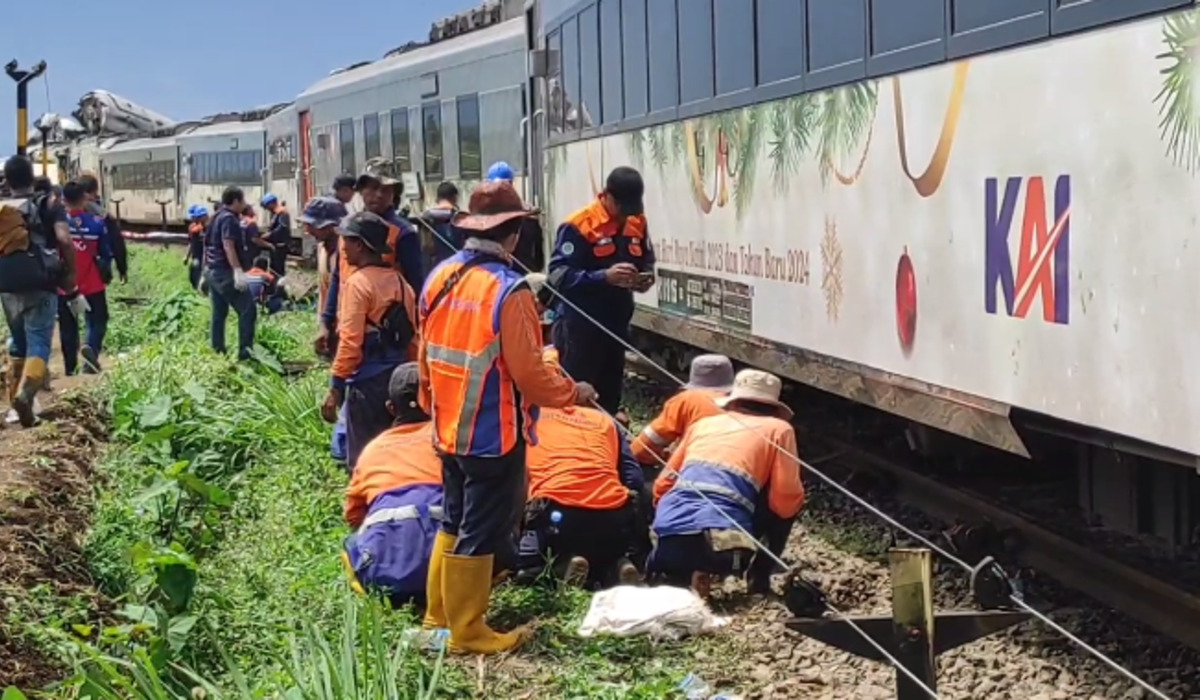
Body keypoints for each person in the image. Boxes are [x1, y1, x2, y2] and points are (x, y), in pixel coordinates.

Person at [418, 180, 595, 655]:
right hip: (493, 432)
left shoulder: (439, 277)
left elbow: (425, 353)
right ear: (514, 233)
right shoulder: (508, 290)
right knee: (480, 528)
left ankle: (438, 617)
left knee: (453, 520)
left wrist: (431, 405)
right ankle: (468, 631)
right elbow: (531, 375)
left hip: (447, 425)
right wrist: (573, 393)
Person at [646, 370, 804, 598]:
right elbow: (785, 499)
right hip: (726, 555)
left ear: (734, 400)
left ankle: (680, 572)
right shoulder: (779, 429)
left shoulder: (703, 424)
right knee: (788, 501)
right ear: (774, 407)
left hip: (667, 545)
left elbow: (663, 484)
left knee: (684, 532)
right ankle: (757, 580)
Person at [517, 348, 644, 588]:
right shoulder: (604, 420)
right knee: (605, 540)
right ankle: (617, 565)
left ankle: (561, 566)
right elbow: (634, 478)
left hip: (557, 513)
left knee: (526, 569)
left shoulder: (529, 418)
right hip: (613, 516)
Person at [548, 166, 655, 414]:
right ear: (608, 196)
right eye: (622, 209)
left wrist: (643, 278)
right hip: (581, 330)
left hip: (616, 327)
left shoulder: (636, 221)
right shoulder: (579, 225)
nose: (625, 217)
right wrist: (604, 277)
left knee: (609, 401)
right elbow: (557, 276)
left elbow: (646, 259)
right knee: (577, 403)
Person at [341, 362, 444, 609]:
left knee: (350, 544)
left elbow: (353, 515)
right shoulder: (447, 442)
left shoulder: (372, 450)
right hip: (447, 575)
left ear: (390, 408)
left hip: (384, 581)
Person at [321, 211, 418, 472]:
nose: (343, 247)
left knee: (364, 460)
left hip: (367, 384)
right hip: (398, 382)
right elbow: (413, 339)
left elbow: (350, 343)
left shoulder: (358, 284)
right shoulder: (401, 283)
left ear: (360, 245)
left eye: (347, 240)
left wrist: (335, 387)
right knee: (393, 458)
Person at [0, 156, 80, 426]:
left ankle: (15, 405)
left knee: (18, 343)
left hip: (6, 285)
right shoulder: (48, 204)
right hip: (41, 282)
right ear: (32, 178)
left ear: (8, 180)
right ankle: (26, 395)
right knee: (39, 343)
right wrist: (70, 275)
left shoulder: (3, 206)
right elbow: (64, 240)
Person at [298, 196, 350, 464]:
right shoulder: (323, 249)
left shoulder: (346, 252)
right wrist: (322, 325)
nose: (308, 230)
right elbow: (325, 293)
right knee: (337, 381)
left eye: (314, 225)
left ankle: (343, 445)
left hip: (346, 329)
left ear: (331, 226)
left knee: (345, 384)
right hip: (331, 328)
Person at [635, 354, 735, 494]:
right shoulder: (744, 403)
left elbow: (647, 443)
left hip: (693, 473)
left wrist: (637, 457)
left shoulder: (686, 399)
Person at [56, 181, 113, 376]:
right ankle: (91, 348)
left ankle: (70, 369)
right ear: (84, 198)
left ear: (63, 200)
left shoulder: (58, 224)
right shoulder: (97, 223)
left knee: (68, 326)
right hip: (92, 283)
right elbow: (106, 254)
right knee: (97, 319)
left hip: (66, 285)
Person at [204, 186, 256, 360]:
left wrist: (205, 271)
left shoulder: (215, 217)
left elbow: (207, 245)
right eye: (242, 200)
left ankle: (217, 350)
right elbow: (228, 245)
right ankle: (245, 354)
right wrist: (237, 271)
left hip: (213, 272)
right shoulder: (229, 219)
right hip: (225, 272)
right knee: (248, 310)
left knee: (219, 312)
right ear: (235, 201)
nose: (244, 204)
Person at [484, 161, 544, 273]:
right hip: (522, 274)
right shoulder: (529, 215)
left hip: (495, 274)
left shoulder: (484, 219)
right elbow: (538, 257)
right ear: (511, 184)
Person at [78, 172, 128, 284]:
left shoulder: (66, 214)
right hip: (97, 273)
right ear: (95, 191)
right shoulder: (104, 216)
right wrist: (122, 269)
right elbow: (117, 243)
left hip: (72, 277)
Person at [419, 181, 460, 269]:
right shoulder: (460, 218)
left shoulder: (425, 218)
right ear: (455, 198)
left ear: (437, 199)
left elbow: (424, 246)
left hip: (433, 270)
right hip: (456, 268)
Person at [260, 194, 291, 276]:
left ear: (272, 203)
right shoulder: (275, 213)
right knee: (273, 268)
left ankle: (278, 282)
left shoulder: (282, 213)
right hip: (275, 244)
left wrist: (269, 234)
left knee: (278, 268)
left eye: (267, 206)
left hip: (280, 244)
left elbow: (282, 228)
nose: (267, 209)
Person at [184, 205, 209, 290]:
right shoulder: (194, 228)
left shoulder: (210, 227)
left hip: (208, 257)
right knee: (194, 272)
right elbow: (191, 243)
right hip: (197, 256)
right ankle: (196, 288)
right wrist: (187, 256)